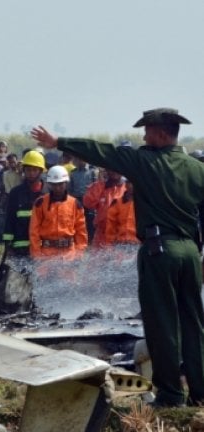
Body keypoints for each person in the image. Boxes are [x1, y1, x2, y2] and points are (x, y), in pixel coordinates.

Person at [31, 108, 204, 407]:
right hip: (191, 253)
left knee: (162, 324)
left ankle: (171, 395)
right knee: (194, 325)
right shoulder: (196, 168)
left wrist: (59, 141)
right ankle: (200, 395)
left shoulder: (144, 161)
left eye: (147, 130)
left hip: (159, 252)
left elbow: (102, 152)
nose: (143, 136)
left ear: (162, 132)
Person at [29, 165, 87, 259]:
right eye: (55, 184)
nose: (58, 188)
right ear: (50, 184)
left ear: (66, 183)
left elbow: (81, 230)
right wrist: (36, 255)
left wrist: (79, 253)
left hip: (69, 255)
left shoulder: (75, 204)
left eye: (60, 184)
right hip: (46, 255)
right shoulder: (40, 203)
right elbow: (34, 231)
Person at [2, 150, 47, 257]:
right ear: (23, 170)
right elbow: (9, 220)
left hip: (43, 248)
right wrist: (7, 245)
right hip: (20, 247)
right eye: (28, 170)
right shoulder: (15, 193)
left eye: (34, 170)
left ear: (40, 171)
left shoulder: (48, 193)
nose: (31, 173)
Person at [83, 170, 126, 247]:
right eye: (111, 168)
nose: (114, 171)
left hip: (119, 236)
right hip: (101, 236)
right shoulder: (100, 186)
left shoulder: (127, 188)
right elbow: (88, 202)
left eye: (117, 168)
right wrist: (100, 184)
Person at [105, 180, 138, 245]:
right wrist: (110, 245)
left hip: (138, 245)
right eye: (129, 182)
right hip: (120, 244)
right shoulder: (117, 202)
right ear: (125, 184)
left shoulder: (146, 205)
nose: (131, 186)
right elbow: (110, 226)